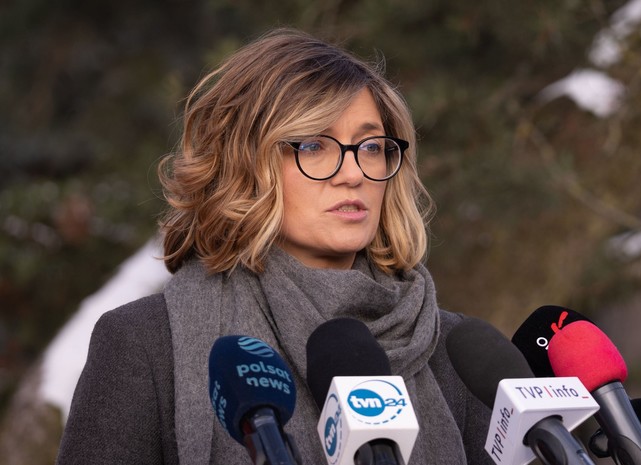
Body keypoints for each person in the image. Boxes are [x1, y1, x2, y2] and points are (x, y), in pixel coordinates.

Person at [55, 28, 495, 465]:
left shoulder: (457, 352)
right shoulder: (145, 344)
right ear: (244, 162)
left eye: (371, 146)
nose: (354, 173)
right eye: (313, 144)